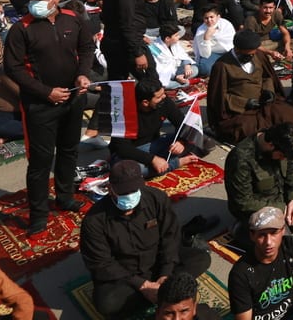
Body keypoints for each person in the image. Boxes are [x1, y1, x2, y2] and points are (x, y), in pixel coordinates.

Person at [3, 0, 93, 234]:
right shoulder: (21, 29)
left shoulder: (72, 19)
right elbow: (13, 68)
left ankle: (64, 197)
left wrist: (84, 73)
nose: (33, 4)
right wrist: (45, 92)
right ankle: (39, 214)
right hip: (40, 105)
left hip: (74, 99)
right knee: (41, 162)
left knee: (69, 151)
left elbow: (87, 48)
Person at [80, 160, 210, 320]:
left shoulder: (156, 199)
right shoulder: (95, 221)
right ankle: (160, 296)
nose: (130, 196)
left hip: (157, 263)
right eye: (124, 193)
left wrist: (165, 274)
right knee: (107, 303)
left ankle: (161, 294)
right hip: (126, 275)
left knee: (201, 259)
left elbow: (170, 236)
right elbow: (101, 263)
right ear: (110, 189)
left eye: (134, 191)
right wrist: (143, 285)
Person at [224, 123, 293, 245]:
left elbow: (291, 170)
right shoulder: (240, 159)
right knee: (283, 245)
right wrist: (281, 208)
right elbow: (243, 202)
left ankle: (278, 227)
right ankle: (243, 229)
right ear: (270, 145)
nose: (283, 159)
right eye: (281, 156)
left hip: (281, 196)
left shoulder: (284, 147)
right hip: (256, 207)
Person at [205, 29, 293, 144]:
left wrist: (268, 91)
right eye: (248, 55)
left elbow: (267, 77)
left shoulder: (258, 55)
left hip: (264, 103)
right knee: (246, 129)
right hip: (240, 111)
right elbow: (219, 97)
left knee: (288, 114)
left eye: (253, 54)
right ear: (237, 50)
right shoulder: (222, 66)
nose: (251, 57)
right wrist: (245, 103)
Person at [108, 77, 201, 177]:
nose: (164, 97)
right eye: (159, 97)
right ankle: (175, 163)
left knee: (195, 138)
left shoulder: (164, 102)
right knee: (131, 171)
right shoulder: (123, 113)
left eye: (163, 93)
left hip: (155, 144)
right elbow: (123, 148)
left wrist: (181, 141)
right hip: (131, 152)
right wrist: (153, 159)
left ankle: (165, 161)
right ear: (145, 102)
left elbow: (182, 123)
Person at [99, 0, 152, 80]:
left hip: (117, 41)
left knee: (118, 84)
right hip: (125, 46)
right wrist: (137, 53)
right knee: (151, 84)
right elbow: (126, 22)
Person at [154, 271, 220, 320]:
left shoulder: (209, 316)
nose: (177, 319)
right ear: (157, 313)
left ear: (194, 308)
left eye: (184, 311)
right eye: (169, 313)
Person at [192, 5, 235, 77]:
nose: (209, 20)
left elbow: (233, 42)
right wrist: (206, 38)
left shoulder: (226, 24)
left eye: (211, 17)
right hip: (213, 53)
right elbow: (205, 54)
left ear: (218, 17)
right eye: (206, 18)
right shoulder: (201, 31)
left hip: (229, 52)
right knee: (204, 70)